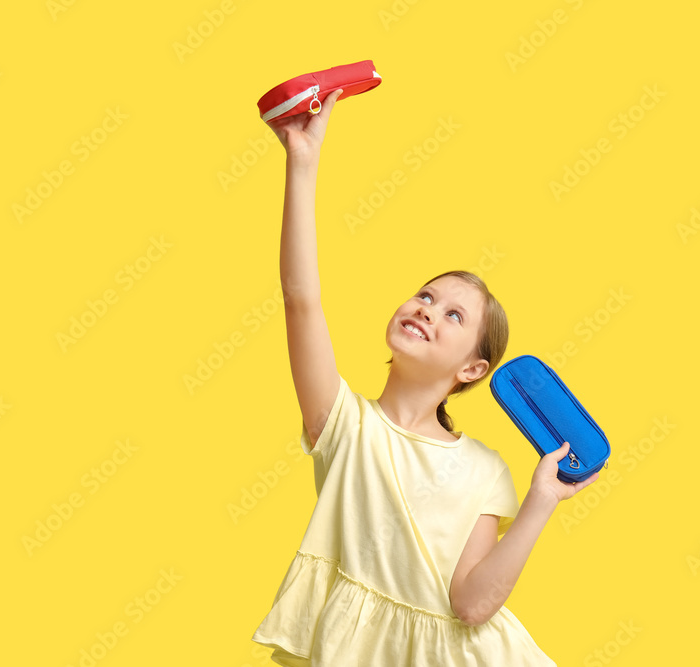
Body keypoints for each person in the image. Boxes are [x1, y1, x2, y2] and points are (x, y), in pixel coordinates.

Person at [250, 88, 600, 666]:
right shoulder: (344, 426)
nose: (426, 310)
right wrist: (302, 162)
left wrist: (541, 501)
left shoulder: (486, 470)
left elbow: (471, 606)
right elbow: (300, 299)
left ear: (473, 369)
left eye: (452, 315)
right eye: (425, 295)